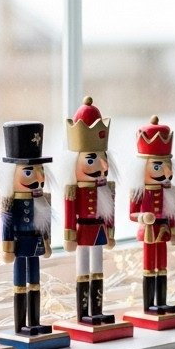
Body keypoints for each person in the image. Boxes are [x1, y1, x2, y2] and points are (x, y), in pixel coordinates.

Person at [62, 97, 116, 326]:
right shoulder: (73, 190)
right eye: (93, 159)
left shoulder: (106, 188)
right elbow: (68, 213)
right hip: (83, 231)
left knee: (98, 271)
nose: (102, 166)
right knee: (83, 270)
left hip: (99, 231)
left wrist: (111, 234)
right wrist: (69, 236)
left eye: (103, 158)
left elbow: (109, 213)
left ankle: (97, 309)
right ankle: (83, 312)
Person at [0, 121, 54, 335]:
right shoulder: (10, 202)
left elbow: (45, 224)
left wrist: (47, 243)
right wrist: (7, 248)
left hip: (36, 243)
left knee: (36, 283)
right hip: (20, 245)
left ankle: (35, 321)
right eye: (30, 172)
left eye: (40, 171)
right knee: (20, 284)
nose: (39, 178)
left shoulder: (42, 200)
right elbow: (7, 226)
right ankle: (21, 324)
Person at [129, 115, 175, 315]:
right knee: (149, 266)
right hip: (149, 231)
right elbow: (132, 214)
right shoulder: (139, 191)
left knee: (163, 266)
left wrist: (174, 231)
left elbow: (173, 214)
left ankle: (162, 301)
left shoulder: (170, 191)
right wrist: (143, 218)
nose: (165, 172)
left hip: (164, 230)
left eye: (166, 165)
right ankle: (149, 304)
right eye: (157, 166)